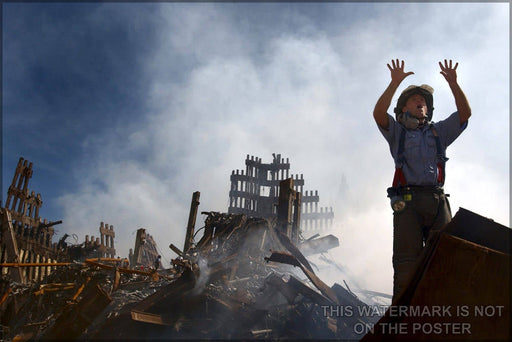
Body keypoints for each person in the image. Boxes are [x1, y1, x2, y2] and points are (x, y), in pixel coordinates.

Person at [373, 59, 471, 301]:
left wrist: (454, 84)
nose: (421, 103)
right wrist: (394, 83)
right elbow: (378, 114)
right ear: (403, 108)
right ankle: (403, 323)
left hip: (437, 201)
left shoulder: (438, 131)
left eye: (424, 102)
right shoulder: (398, 133)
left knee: (446, 258)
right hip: (408, 204)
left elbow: (465, 114)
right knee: (407, 265)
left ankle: (444, 315)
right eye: (415, 100)